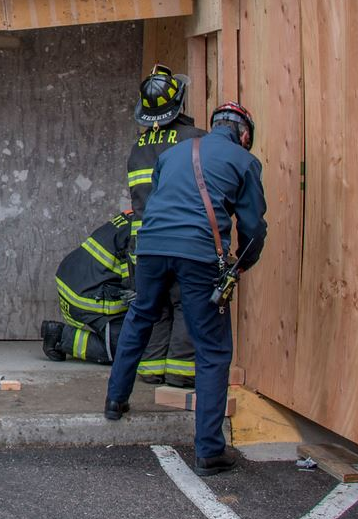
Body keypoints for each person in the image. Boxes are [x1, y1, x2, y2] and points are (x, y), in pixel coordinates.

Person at [104, 102, 267, 477]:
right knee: (212, 348)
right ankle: (209, 451)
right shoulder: (244, 162)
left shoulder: (174, 152)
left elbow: (158, 200)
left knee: (141, 314)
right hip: (197, 255)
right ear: (244, 135)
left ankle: (115, 399)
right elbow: (254, 228)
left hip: (150, 248)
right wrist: (241, 264)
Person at [127, 65, 206, 388]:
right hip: (180, 240)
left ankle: (150, 370)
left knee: (154, 308)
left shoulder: (138, 148)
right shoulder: (196, 141)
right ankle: (180, 372)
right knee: (184, 304)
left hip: (143, 244)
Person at [40, 210, 136, 364]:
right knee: (125, 349)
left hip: (78, 281)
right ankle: (60, 336)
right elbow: (136, 281)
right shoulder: (145, 227)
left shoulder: (136, 214)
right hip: (88, 293)